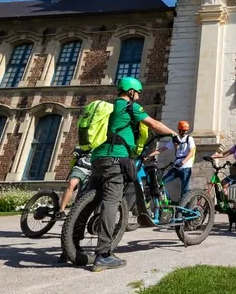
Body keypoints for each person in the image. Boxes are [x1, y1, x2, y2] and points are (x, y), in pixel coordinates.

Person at [89, 76, 179, 272]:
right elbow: (153, 124)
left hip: (98, 157)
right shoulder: (131, 107)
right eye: (137, 93)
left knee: (89, 202)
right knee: (111, 202)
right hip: (116, 157)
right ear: (131, 92)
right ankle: (103, 255)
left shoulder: (112, 107)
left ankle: (69, 248)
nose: (138, 96)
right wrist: (173, 134)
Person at [147, 120, 195, 201]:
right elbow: (162, 149)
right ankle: (168, 201)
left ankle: (183, 209)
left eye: (185, 130)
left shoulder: (189, 139)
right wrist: (149, 155)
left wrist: (183, 162)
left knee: (184, 191)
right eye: (183, 130)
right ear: (179, 130)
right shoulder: (175, 140)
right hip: (176, 167)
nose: (184, 132)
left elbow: (191, 152)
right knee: (161, 183)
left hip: (186, 167)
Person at [55, 147, 93, 220]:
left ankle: (74, 213)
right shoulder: (89, 140)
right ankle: (61, 211)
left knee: (82, 195)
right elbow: (78, 148)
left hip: (91, 171)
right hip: (80, 167)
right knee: (72, 183)